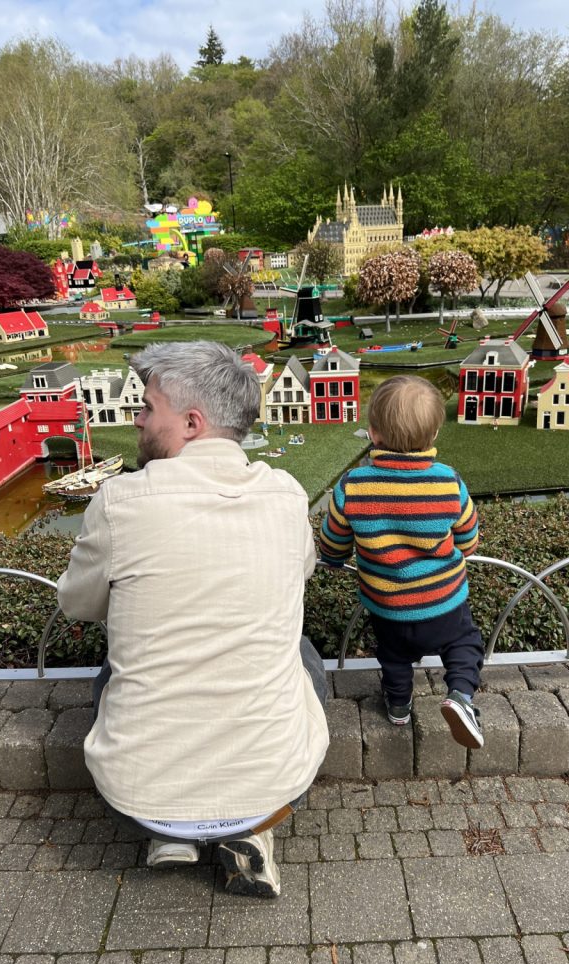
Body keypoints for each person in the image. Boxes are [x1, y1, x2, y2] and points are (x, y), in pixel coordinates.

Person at [57, 341, 329, 897]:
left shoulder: (120, 501)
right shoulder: (285, 494)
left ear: (190, 422)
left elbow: (77, 605)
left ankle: (170, 835)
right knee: (303, 655)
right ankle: (251, 834)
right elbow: (299, 573)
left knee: (113, 669)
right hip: (275, 789)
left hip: (136, 801)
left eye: (147, 407)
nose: (136, 419)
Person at [319, 375, 484, 749]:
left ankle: (398, 706)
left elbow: (333, 544)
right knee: (464, 643)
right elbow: (469, 540)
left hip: (387, 606)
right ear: (435, 434)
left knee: (393, 656)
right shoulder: (448, 483)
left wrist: (331, 558)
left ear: (373, 434)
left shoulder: (354, 486)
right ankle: (460, 694)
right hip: (444, 603)